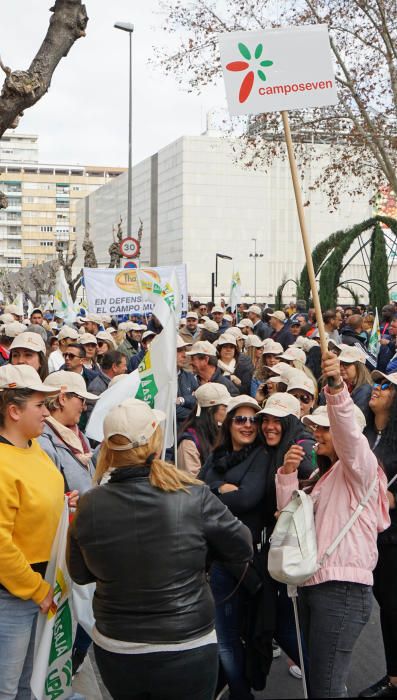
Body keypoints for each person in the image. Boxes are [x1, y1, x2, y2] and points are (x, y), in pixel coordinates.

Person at [67, 398, 253, 700]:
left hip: (118, 646)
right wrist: (201, 556)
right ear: (155, 442)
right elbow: (242, 546)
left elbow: (81, 573)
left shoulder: (90, 503)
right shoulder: (192, 494)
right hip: (186, 643)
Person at [276, 352, 390, 698]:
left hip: (342, 590)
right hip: (317, 586)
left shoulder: (361, 468)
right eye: (314, 427)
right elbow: (289, 524)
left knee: (325, 686)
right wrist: (285, 477)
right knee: (319, 682)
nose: (316, 433)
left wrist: (336, 389)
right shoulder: (319, 476)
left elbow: (350, 438)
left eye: (323, 427)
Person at [0, 365, 75, 698]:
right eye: (40, 405)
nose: (48, 412)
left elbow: (39, 501)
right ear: (14, 411)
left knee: (29, 681)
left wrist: (63, 503)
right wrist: (35, 588)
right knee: (7, 685)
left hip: (40, 586)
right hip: (14, 594)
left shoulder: (36, 449)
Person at [200, 394, 266, 700]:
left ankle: (241, 694)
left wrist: (210, 496)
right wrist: (217, 488)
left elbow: (246, 499)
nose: (248, 425)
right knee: (226, 636)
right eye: (240, 418)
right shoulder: (217, 455)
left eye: (254, 419)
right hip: (214, 557)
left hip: (241, 560)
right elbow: (197, 490)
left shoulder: (261, 456)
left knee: (228, 638)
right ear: (229, 424)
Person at [359, 371, 397, 698]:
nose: (377, 388)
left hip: (393, 538)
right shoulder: (367, 433)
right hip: (369, 534)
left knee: (392, 606)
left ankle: (394, 678)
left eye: (386, 386)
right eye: (376, 383)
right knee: (386, 603)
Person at [178, 383, 230, 476]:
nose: (229, 412)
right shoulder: (189, 442)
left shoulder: (220, 431)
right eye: (225, 407)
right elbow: (192, 482)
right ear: (210, 411)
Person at [319, 345, 373, 420]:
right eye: (339, 363)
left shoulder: (365, 390)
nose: (341, 367)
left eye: (346, 364)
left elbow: (355, 420)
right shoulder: (330, 383)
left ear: (359, 367)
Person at [176, 335, 198, 428]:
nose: (184, 355)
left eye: (184, 350)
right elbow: (170, 409)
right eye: (179, 350)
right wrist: (194, 416)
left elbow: (198, 401)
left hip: (187, 431)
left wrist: (182, 400)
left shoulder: (189, 377)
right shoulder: (160, 380)